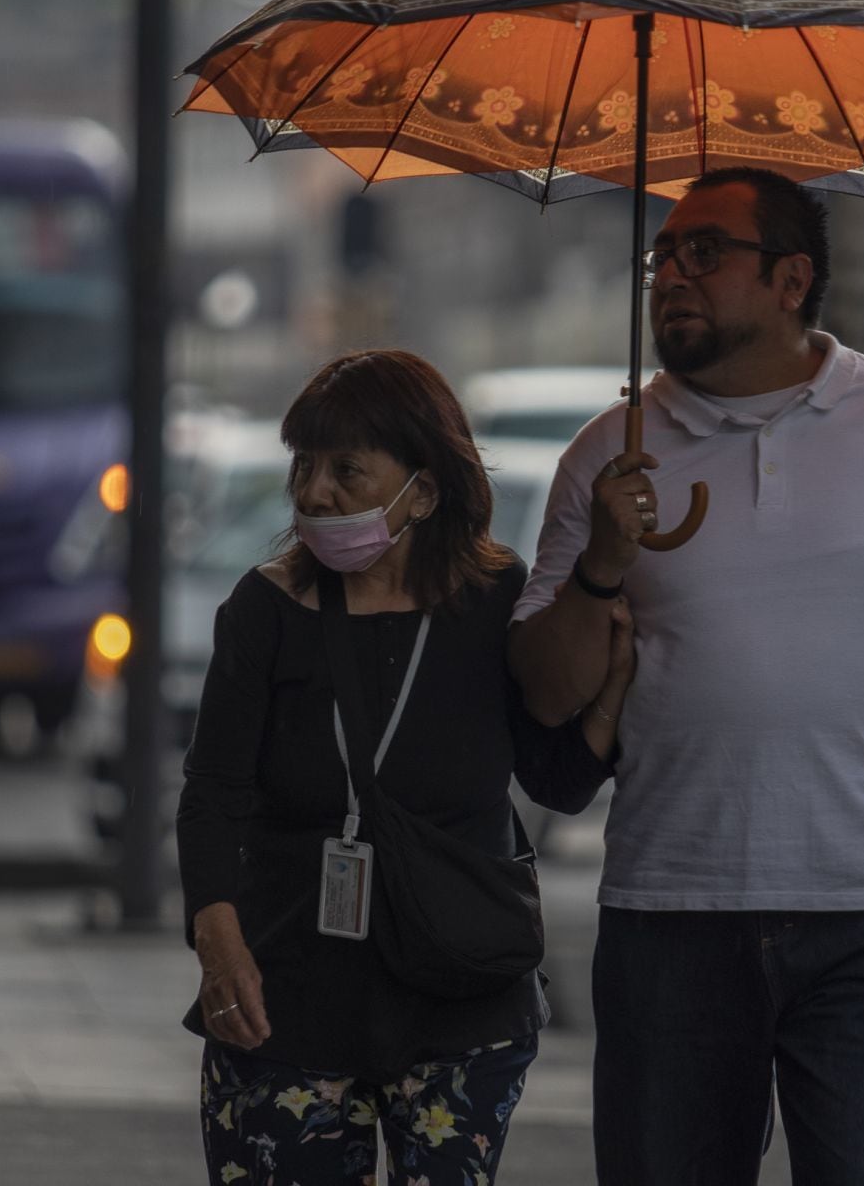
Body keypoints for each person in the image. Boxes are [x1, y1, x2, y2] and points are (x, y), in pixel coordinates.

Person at [507, 167, 864, 1185]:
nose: (672, 275)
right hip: (670, 911)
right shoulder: (605, 457)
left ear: (794, 279)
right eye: (662, 256)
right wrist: (602, 567)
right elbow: (544, 691)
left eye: (706, 252)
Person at [176, 349, 633, 1186]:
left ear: (422, 489)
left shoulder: (496, 600)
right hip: (291, 989)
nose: (315, 493)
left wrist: (609, 693)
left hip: (459, 993)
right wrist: (217, 940)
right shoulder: (264, 609)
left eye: (348, 470)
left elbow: (554, 781)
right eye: (304, 466)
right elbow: (212, 791)